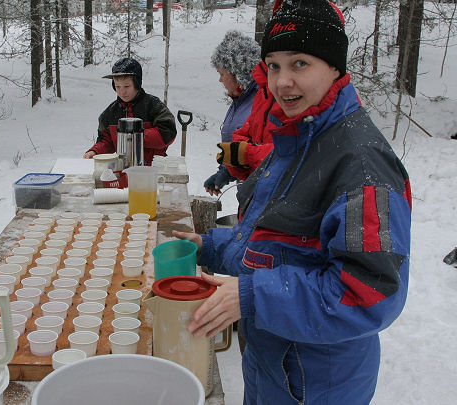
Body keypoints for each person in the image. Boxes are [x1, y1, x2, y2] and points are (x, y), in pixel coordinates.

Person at [174, 1, 412, 404]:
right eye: (274, 65)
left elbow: (368, 295)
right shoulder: (295, 142)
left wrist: (251, 296)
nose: (282, 82)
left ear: (335, 68)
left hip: (317, 380)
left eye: (300, 63)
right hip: (273, 364)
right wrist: (209, 246)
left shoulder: (361, 165)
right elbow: (268, 245)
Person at [83, 57, 177, 166]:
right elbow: (106, 141)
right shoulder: (110, 112)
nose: (122, 91)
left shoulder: (152, 105)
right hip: (124, 168)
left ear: (137, 84)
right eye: (117, 86)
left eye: (127, 86)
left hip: (153, 168)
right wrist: (95, 151)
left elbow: (168, 132)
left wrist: (136, 137)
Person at [204, 30, 261, 196]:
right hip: (246, 194)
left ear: (238, 72)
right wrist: (225, 172)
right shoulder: (239, 101)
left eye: (222, 74)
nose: (220, 80)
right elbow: (237, 148)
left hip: (260, 196)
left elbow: (259, 153)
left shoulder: (259, 102)